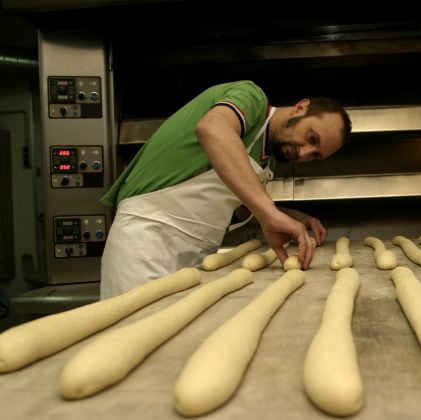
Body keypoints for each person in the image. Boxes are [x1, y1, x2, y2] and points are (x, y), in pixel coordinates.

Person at [99, 80, 352, 298]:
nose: (304, 153)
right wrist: (269, 213)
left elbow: (240, 207)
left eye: (314, 155)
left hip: (196, 256)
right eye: (311, 138)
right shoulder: (252, 97)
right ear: (300, 108)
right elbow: (213, 128)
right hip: (147, 238)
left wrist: (294, 217)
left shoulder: (267, 158)